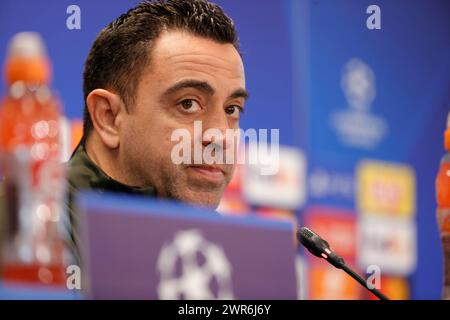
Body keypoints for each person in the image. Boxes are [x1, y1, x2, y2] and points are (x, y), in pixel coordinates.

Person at [66, 0, 247, 262]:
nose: (220, 137)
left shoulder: (231, 255)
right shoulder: (24, 230)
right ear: (109, 117)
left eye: (232, 109)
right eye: (188, 104)